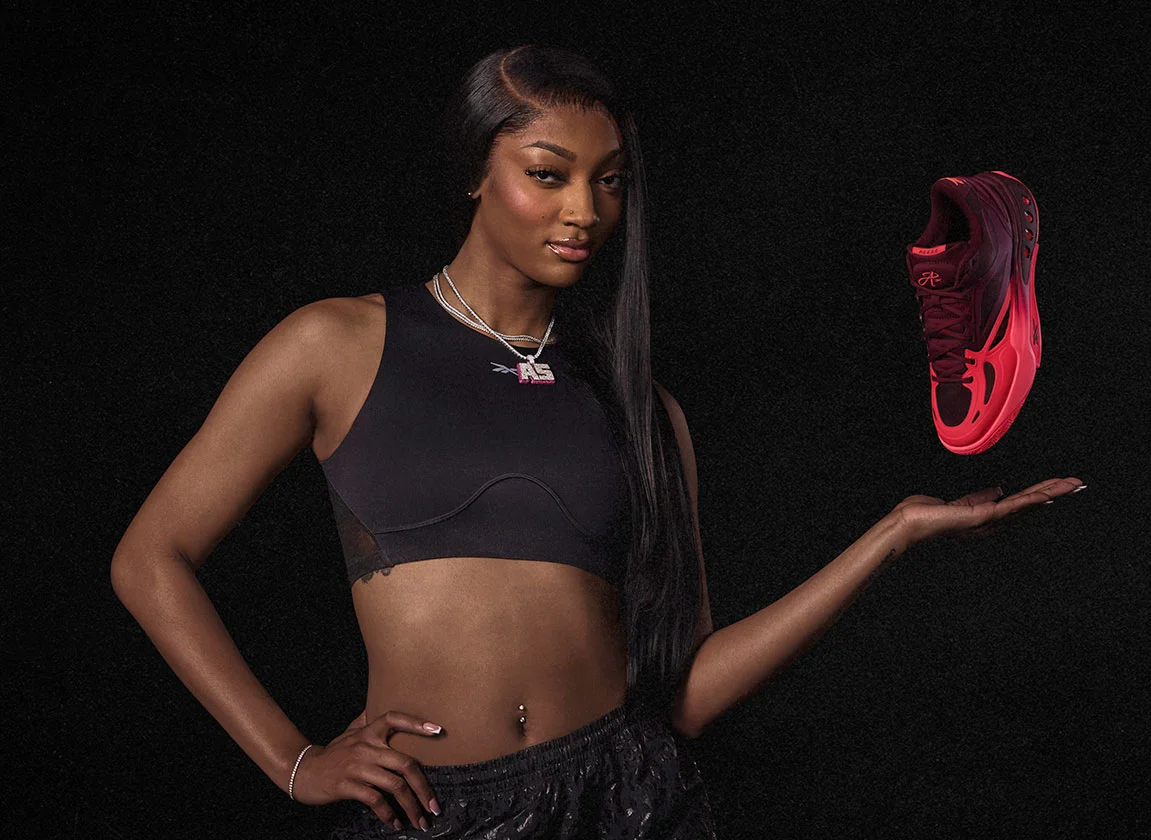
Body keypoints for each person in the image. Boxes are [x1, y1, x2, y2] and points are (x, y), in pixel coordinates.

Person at [110, 44, 1084, 839]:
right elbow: (150, 558)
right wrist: (294, 761)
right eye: (548, 175)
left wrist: (895, 533)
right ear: (475, 174)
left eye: (609, 182)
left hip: (630, 799)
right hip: (432, 812)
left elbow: (686, 694)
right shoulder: (334, 344)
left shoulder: (641, 408)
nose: (585, 211)